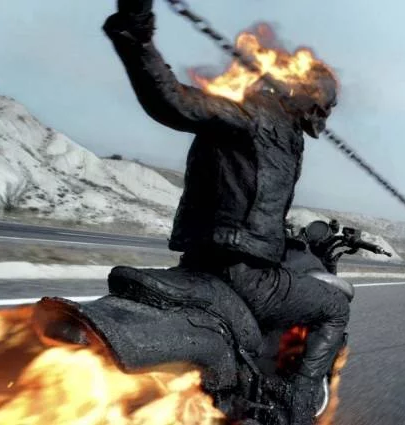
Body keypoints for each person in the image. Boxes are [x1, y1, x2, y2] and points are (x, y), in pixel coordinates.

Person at [102, 1, 348, 423]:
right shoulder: (253, 114)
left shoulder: (280, 130)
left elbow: (249, 198)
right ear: (309, 94)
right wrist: (135, 32)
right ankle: (300, 406)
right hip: (243, 274)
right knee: (335, 308)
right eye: (327, 101)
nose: (327, 112)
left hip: (205, 259)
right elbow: (171, 101)